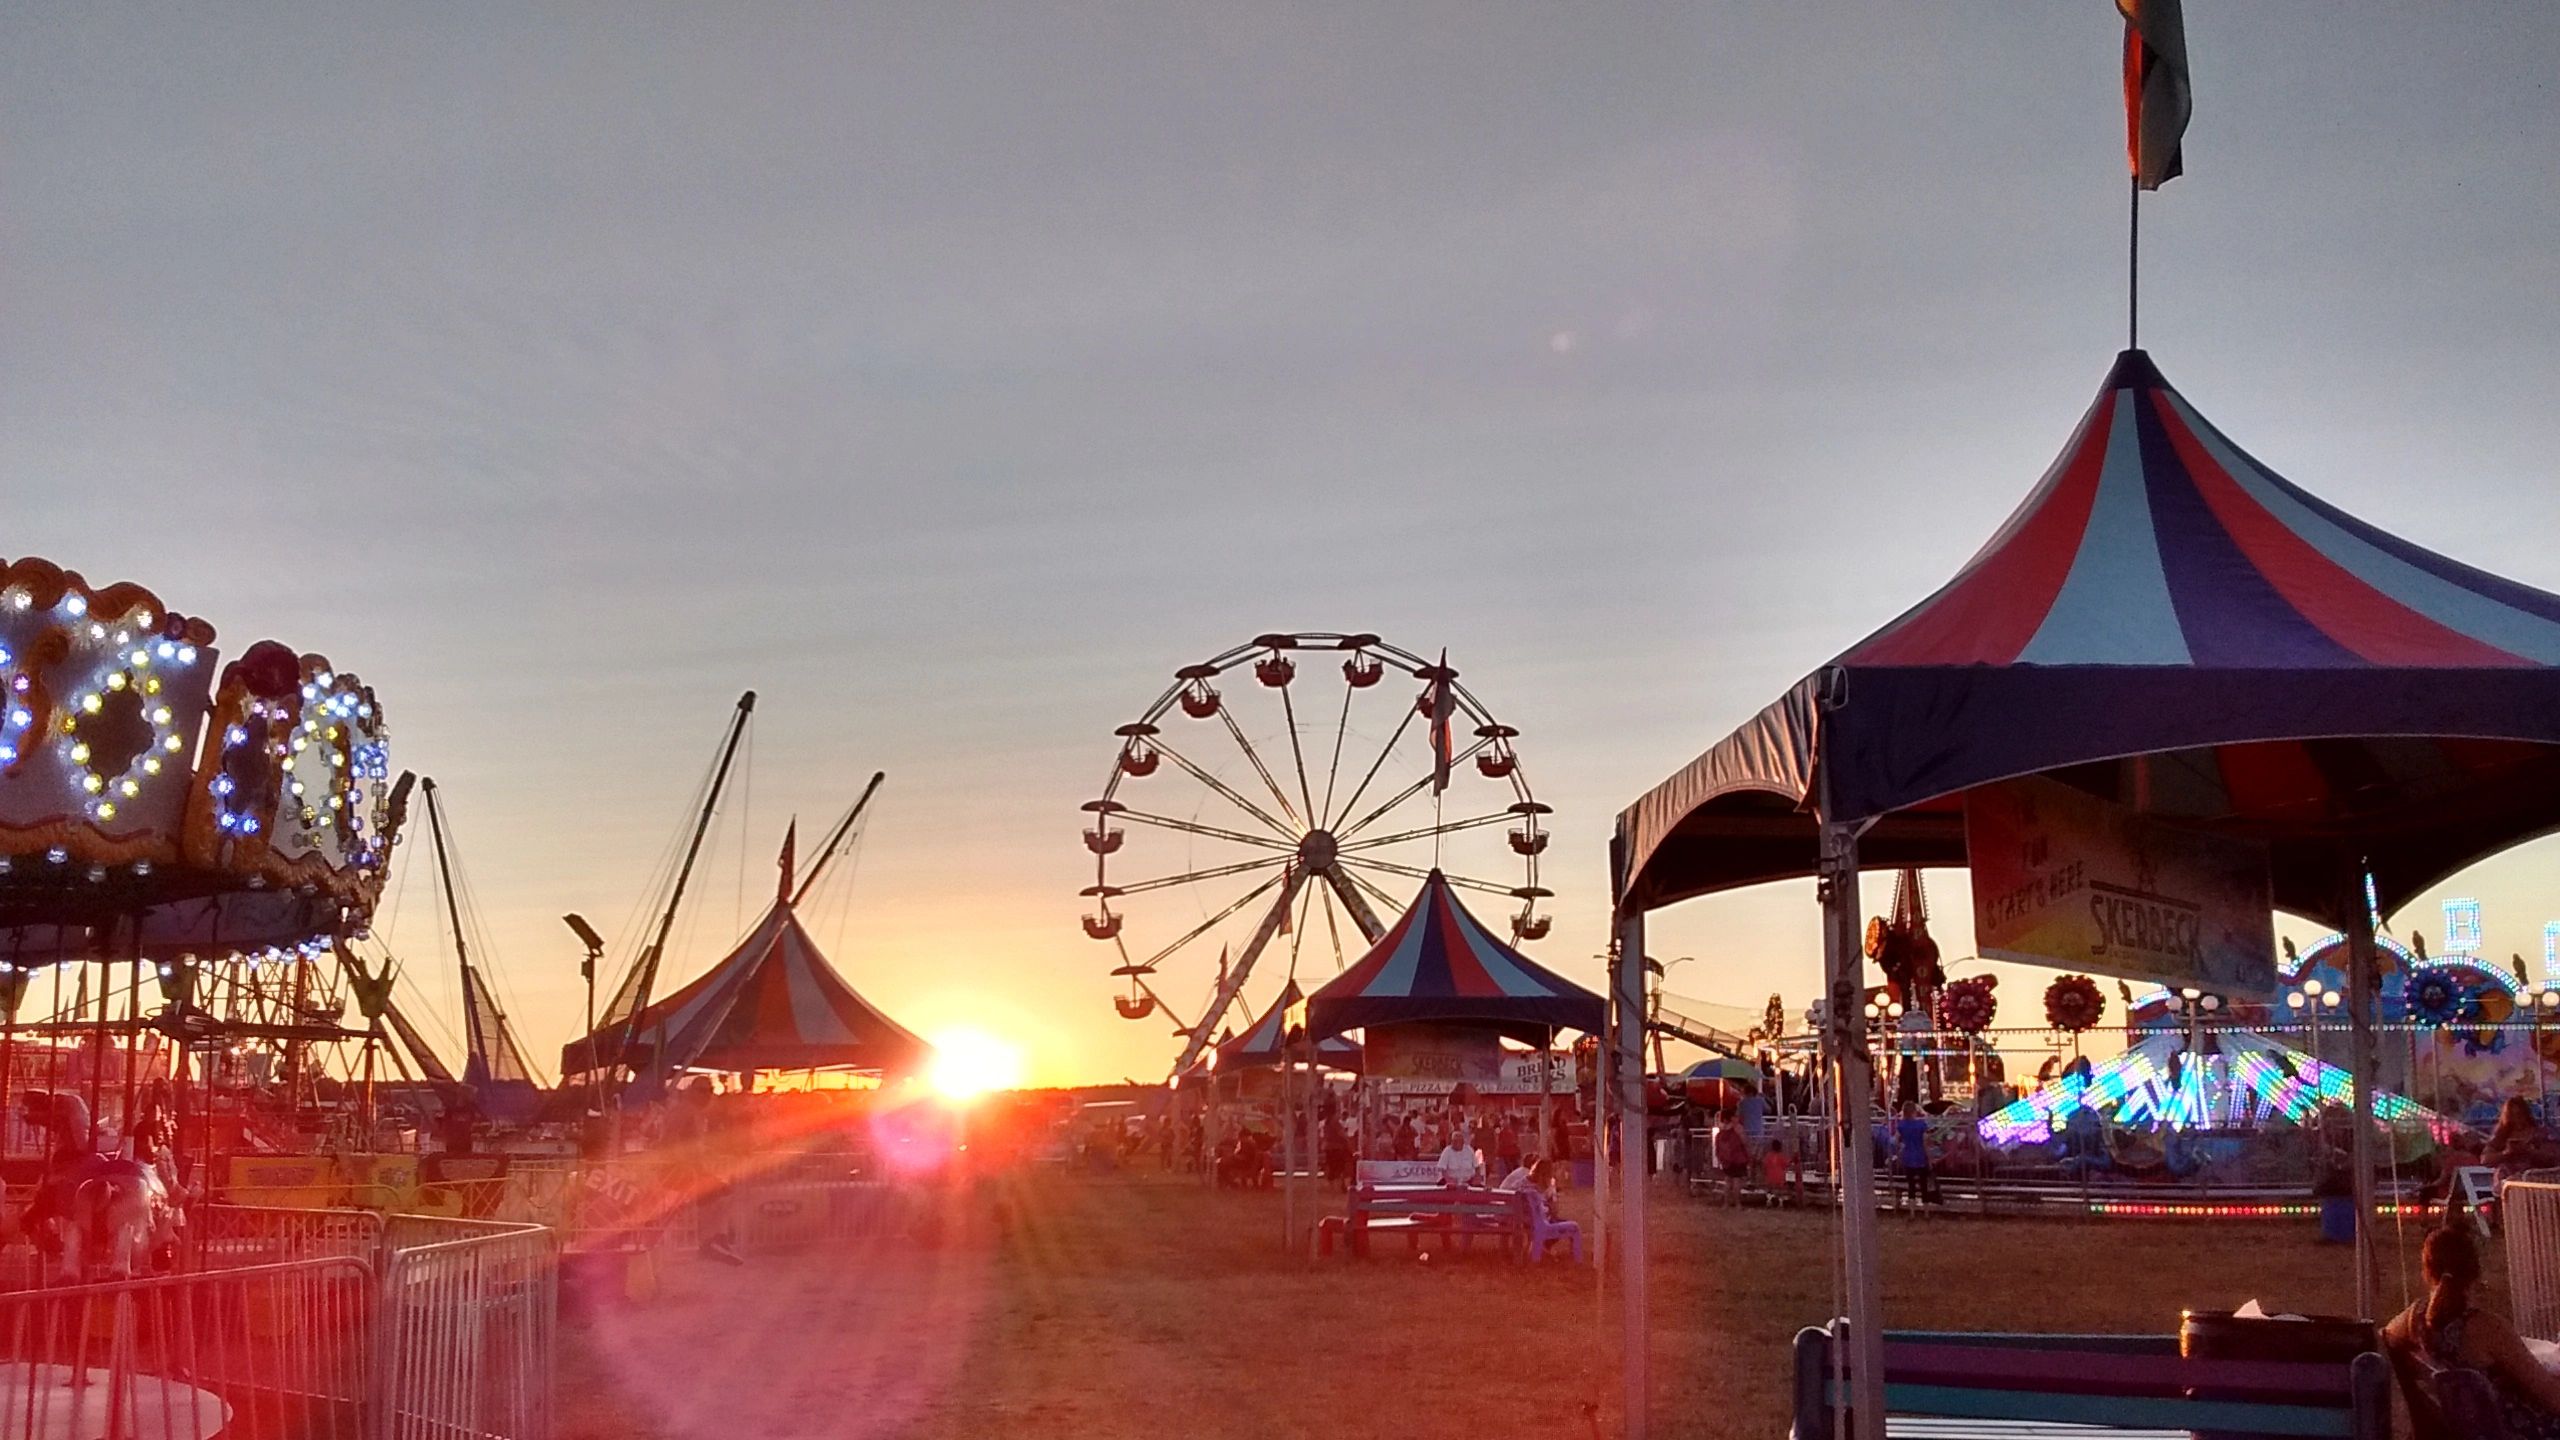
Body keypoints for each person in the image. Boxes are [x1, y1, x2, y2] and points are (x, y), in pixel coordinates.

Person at [2388, 1224, 2560, 1436]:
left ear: (2426, 1272)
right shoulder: (2488, 1329)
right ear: (2476, 1272)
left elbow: (2384, 1337)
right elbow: (2553, 1399)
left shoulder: (2415, 1319)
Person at [2488, 1097, 2558, 1180]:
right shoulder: (2500, 1136)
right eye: (2512, 1116)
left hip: (2532, 1178)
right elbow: (2486, 1160)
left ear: (2526, 1115)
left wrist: (2530, 1151)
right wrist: (2506, 1153)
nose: (2517, 1119)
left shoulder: (2539, 1134)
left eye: (2519, 1115)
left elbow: (2554, 1157)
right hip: (2507, 1180)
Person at [1894, 1101, 1931, 1210]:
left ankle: (1912, 1212)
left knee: (1911, 1185)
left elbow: (1896, 1140)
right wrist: (1929, 1158)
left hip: (1907, 1156)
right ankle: (1926, 1212)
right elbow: (1925, 1142)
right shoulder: (1921, 1125)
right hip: (1920, 1156)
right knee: (1923, 1184)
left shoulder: (1901, 1125)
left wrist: (1901, 1147)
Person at [1711, 1106, 1751, 1207]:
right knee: (1737, 1181)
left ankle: (1726, 1203)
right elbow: (1744, 1141)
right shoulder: (1737, 1129)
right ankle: (1737, 1203)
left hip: (1726, 1159)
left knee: (1728, 1180)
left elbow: (1717, 1147)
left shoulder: (1721, 1132)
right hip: (1738, 1158)